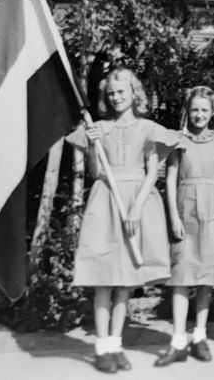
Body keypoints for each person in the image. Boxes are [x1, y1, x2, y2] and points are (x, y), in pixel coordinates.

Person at [66, 68, 180, 373]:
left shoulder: (147, 128)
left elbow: (152, 172)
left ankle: (116, 344)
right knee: (105, 278)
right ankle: (102, 347)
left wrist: (136, 209)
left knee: (125, 281)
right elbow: (96, 172)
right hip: (106, 200)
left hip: (135, 202)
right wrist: (93, 145)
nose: (116, 98)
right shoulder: (100, 128)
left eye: (121, 92)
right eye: (111, 93)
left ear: (134, 94)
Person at [155, 86, 214, 366]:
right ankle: (177, 340)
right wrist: (173, 216)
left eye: (204, 110)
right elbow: (170, 180)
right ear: (187, 111)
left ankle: (199, 336)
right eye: (195, 110)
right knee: (181, 274)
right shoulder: (178, 141)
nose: (199, 115)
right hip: (185, 209)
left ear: (213, 112)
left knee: (205, 276)